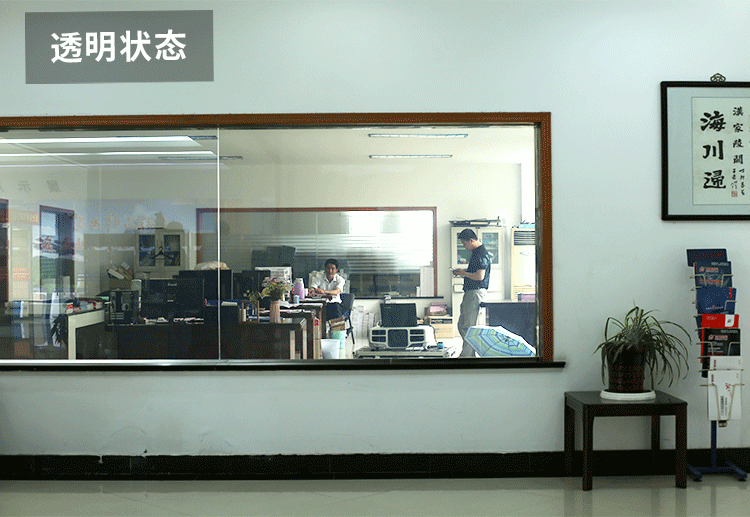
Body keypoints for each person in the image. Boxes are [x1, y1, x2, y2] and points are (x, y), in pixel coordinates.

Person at [452, 229, 491, 357]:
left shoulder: (481, 254)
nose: (464, 247)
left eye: (464, 244)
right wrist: (463, 272)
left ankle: (467, 357)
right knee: (462, 325)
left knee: (468, 327)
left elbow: (479, 276)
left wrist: (464, 273)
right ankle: (469, 354)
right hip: (471, 292)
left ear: (471, 240)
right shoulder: (476, 253)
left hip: (475, 292)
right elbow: (475, 273)